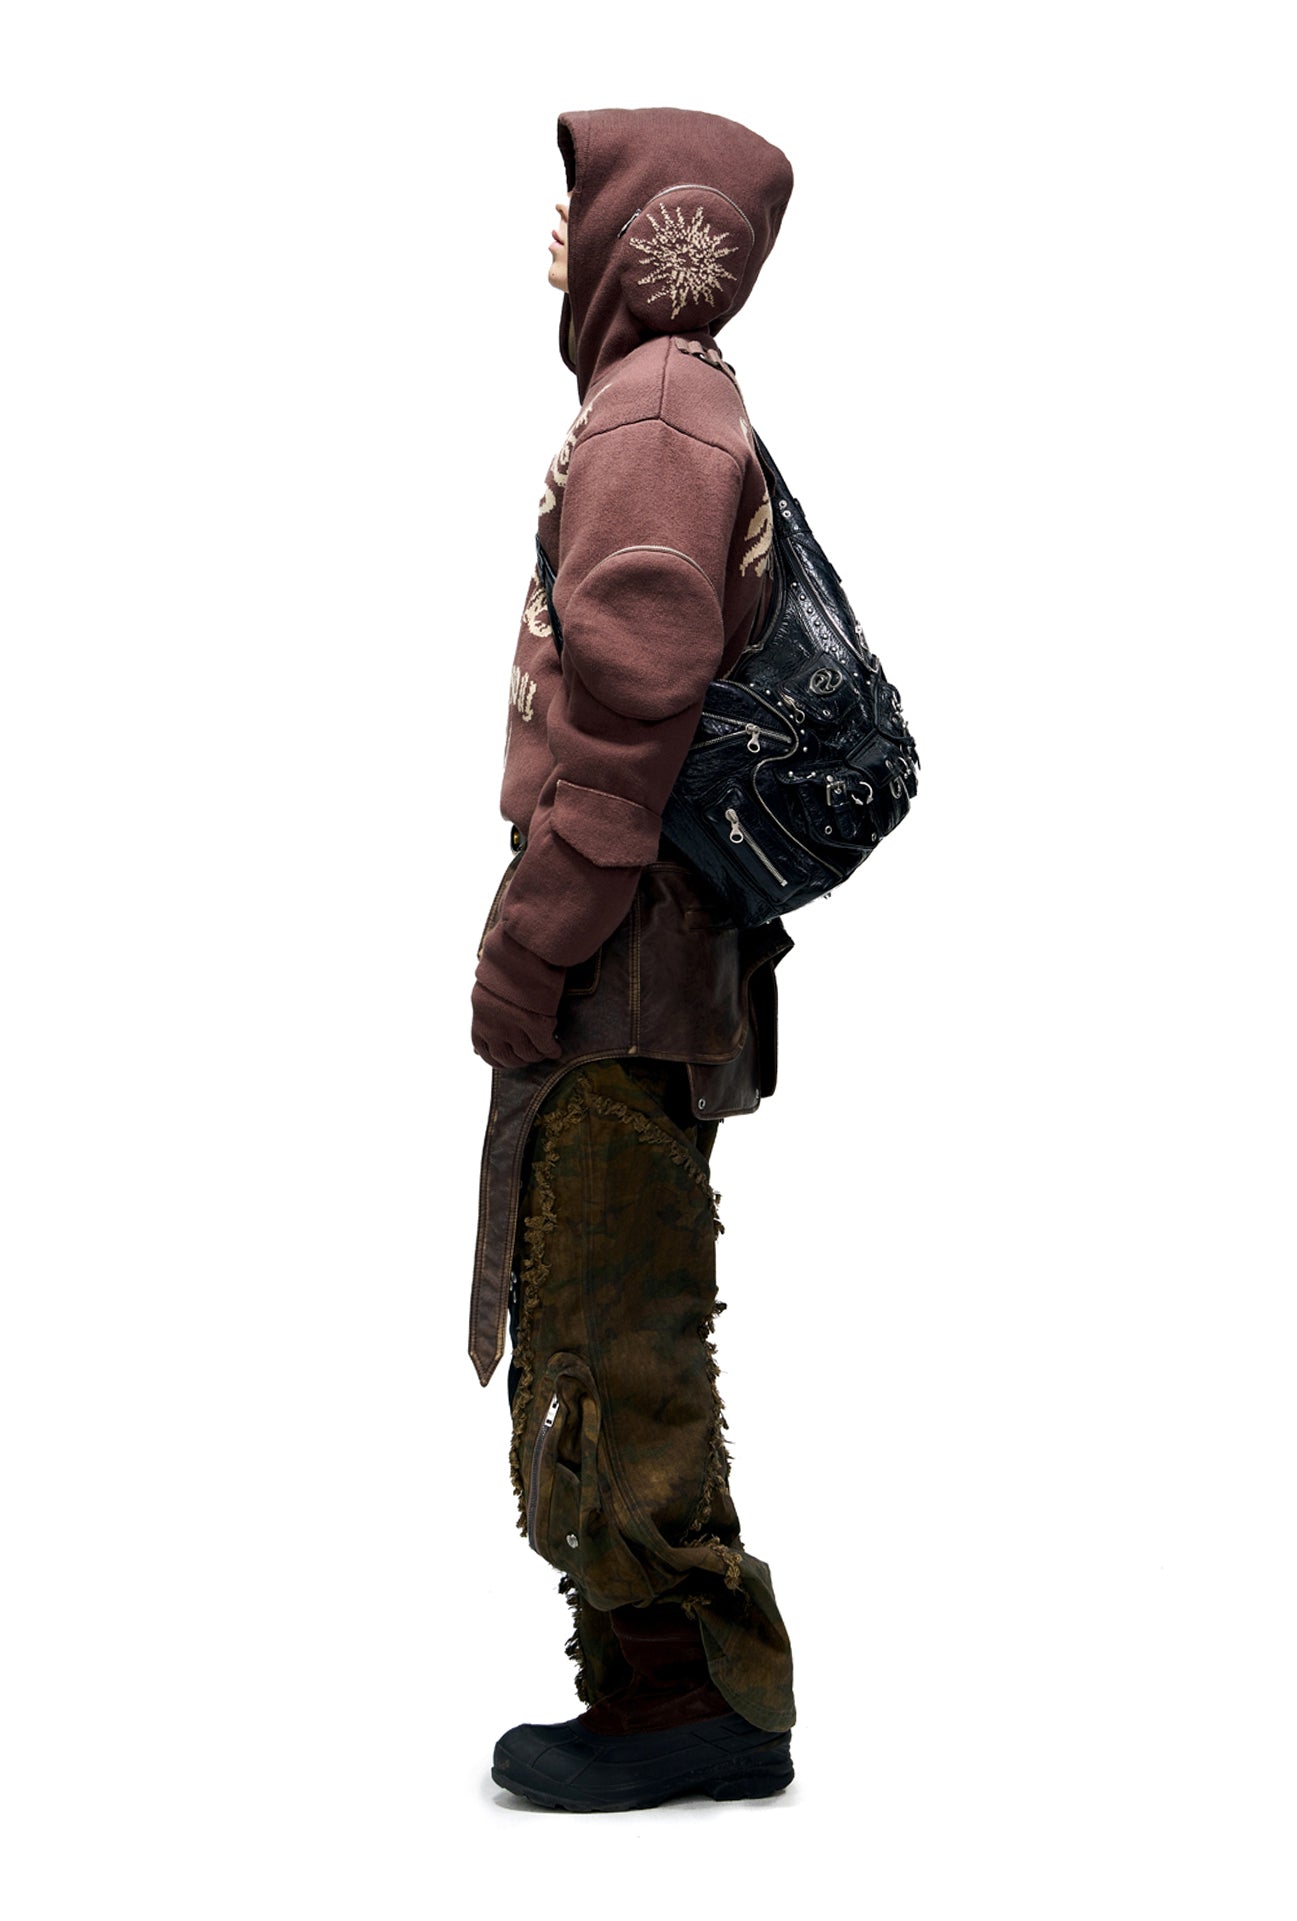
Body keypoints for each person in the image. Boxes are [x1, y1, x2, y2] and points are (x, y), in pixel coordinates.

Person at [469, 106, 798, 1813]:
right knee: (605, 1301)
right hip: (649, 949)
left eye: (576, 203)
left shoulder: (653, 415)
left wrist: (526, 950)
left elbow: (624, 724)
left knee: (612, 1323)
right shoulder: (672, 399)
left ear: (645, 231)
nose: (553, 234)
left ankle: (688, 1693)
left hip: (622, 951)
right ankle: (656, 1671)